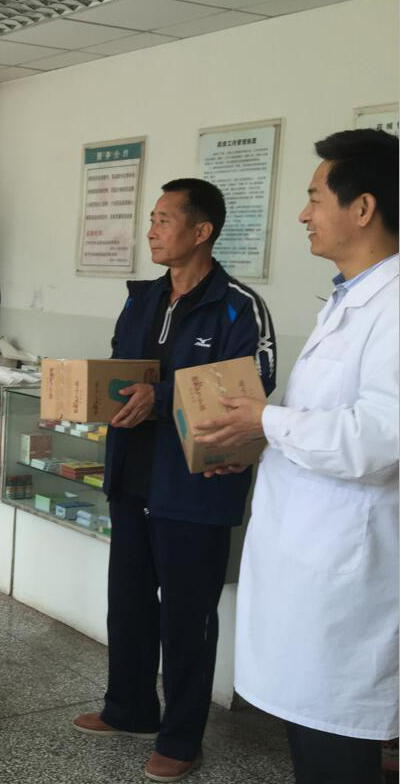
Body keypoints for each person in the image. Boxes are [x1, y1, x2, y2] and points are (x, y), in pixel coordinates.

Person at [195, 129, 398, 784]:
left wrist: (265, 420)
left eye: (315, 197)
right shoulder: (350, 298)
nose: (304, 214)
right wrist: (258, 444)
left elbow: (380, 438)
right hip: (309, 565)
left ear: (362, 208)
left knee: (336, 752)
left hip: (346, 576)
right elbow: (320, 423)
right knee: (315, 742)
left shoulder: (394, 305)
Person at [72, 178, 276, 783]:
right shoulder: (142, 298)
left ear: (201, 230)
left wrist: (158, 398)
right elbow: (122, 371)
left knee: (187, 618)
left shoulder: (238, 306)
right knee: (129, 605)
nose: (152, 231)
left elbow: (248, 393)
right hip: (133, 475)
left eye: (164, 219)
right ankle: (129, 707)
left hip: (195, 484)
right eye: (152, 219)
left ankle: (182, 738)